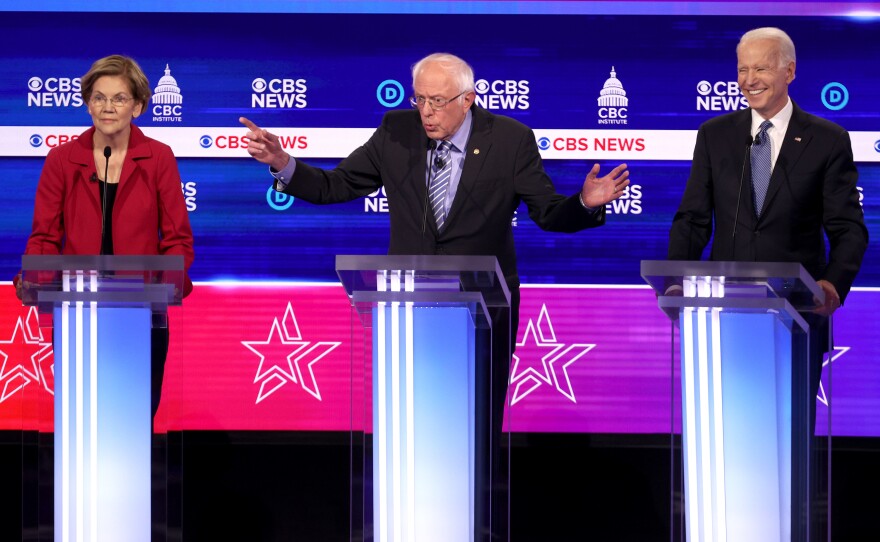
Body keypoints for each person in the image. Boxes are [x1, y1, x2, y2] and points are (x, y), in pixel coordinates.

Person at [241, 52, 629, 541]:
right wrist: (284, 164)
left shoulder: (509, 139)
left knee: (476, 429)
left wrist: (584, 205)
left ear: (468, 100)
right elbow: (336, 185)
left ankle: (471, 525)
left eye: (439, 102)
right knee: (413, 425)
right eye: (420, 99)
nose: (427, 112)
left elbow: (548, 213)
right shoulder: (396, 131)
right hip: (410, 310)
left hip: (485, 313)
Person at [667, 27, 868, 537]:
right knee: (725, 436)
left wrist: (832, 285)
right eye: (741, 69)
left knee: (785, 441)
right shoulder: (715, 135)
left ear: (789, 71)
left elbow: (848, 229)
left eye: (760, 68)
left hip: (794, 318)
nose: (749, 79)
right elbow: (693, 217)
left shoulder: (826, 139)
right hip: (721, 317)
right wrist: (674, 278)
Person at [14, 54, 195, 424]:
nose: (107, 108)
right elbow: (45, 237)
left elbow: (177, 239)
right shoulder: (62, 160)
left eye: (119, 99)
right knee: (85, 416)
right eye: (98, 98)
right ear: (87, 104)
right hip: (78, 310)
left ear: (139, 107)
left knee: (134, 417)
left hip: (143, 311)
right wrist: (38, 279)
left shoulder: (158, 158)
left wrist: (168, 285)